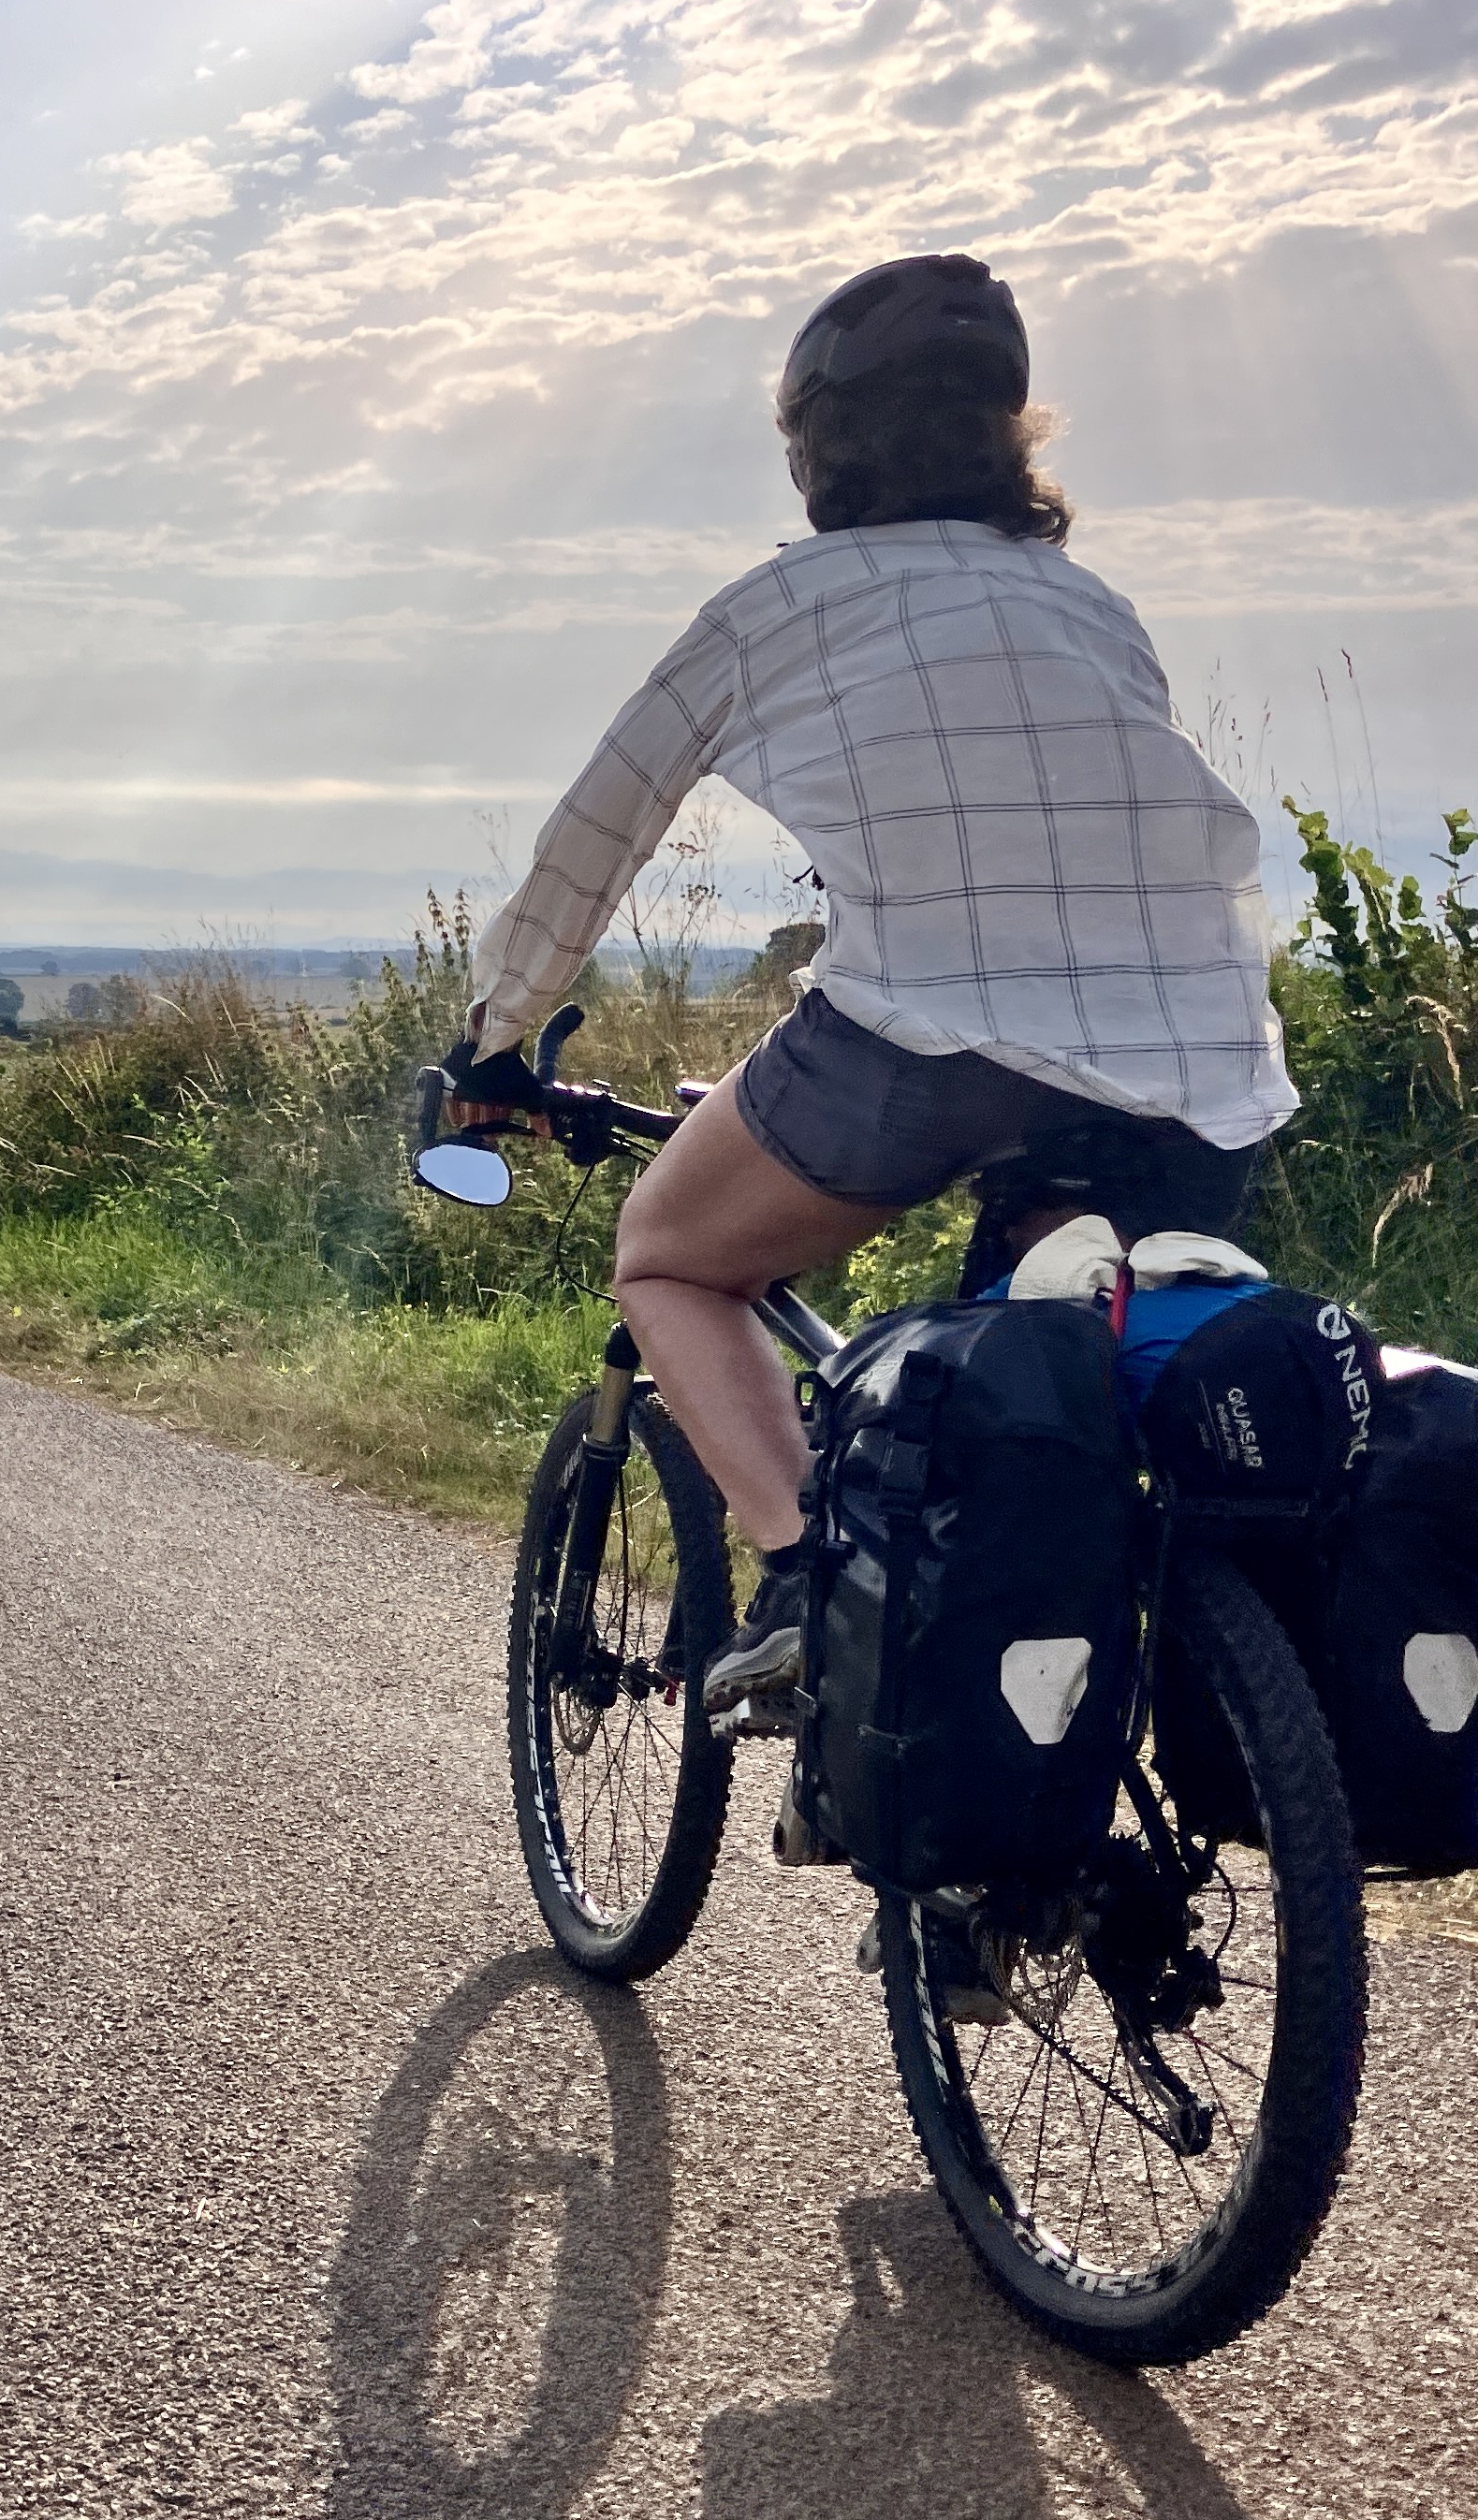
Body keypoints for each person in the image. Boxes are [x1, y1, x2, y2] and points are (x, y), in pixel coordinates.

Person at [443, 252, 1295, 1711]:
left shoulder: (778, 608)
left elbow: (590, 842)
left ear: (816, 447)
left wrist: (495, 1038)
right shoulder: (1089, 605)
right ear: (1008, 431)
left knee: (668, 1253)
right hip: (1207, 1070)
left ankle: (804, 1583)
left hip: (926, 1041)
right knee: (1035, 1415)